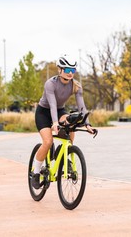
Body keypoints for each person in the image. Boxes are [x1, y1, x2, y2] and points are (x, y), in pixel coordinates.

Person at [31, 54, 95, 189]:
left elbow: (81, 106)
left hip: (60, 111)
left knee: (71, 125)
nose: (71, 73)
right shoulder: (50, 84)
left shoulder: (76, 86)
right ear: (60, 70)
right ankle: (36, 172)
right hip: (44, 112)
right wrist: (54, 123)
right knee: (48, 142)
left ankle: (66, 150)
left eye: (73, 70)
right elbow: (52, 104)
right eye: (67, 70)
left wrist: (87, 124)